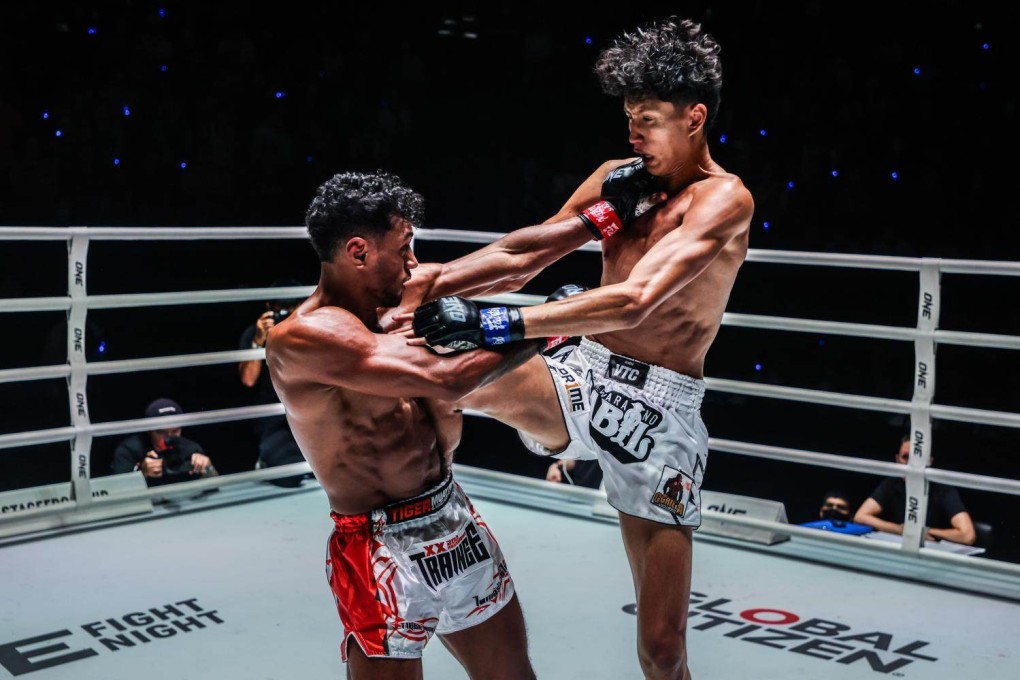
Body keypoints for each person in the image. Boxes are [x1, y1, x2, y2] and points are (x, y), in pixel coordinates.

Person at [399, 17, 753, 680]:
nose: (633, 133)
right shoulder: (620, 179)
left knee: (663, 651)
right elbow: (518, 254)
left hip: (660, 414)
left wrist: (496, 324)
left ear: (695, 117)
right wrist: (415, 288)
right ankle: (423, 540)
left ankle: (594, 467)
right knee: (423, 364)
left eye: (647, 119)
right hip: (582, 377)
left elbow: (635, 299)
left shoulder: (724, 201)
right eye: (628, 117)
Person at [265, 171, 543, 678]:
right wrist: (551, 322)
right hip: (377, 545)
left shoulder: (400, 297)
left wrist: (607, 213)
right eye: (405, 247)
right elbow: (451, 380)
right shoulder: (304, 337)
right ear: (358, 252)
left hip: (451, 515)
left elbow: (512, 260)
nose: (414, 261)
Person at [238, 280, 310, 486]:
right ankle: (267, 460)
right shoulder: (255, 334)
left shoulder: (310, 332)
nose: (286, 314)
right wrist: (259, 341)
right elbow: (248, 379)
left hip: (310, 416)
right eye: (281, 310)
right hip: (275, 423)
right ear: (269, 307)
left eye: (292, 308)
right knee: (290, 476)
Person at [854, 435, 977, 545]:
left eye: (917, 457)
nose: (910, 463)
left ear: (929, 462)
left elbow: (967, 535)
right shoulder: (891, 483)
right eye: (905, 457)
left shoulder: (943, 489)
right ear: (897, 460)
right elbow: (860, 516)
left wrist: (926, 531)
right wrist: (901, 530)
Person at [110, 398, 218, 486]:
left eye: (175, 431)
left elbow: (216, 486)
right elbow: (116, 493)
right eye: (161, 432)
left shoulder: (191, 449)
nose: (169, 438)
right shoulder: (128, 451)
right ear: (149, 430)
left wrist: (208, 467)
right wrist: (140, 473)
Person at [800, 490, 872, 535]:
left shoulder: (862, 534)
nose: (834, 509)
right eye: (829, 505)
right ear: (821, 511)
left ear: (851, 515)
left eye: (841, 507)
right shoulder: (803, 529)